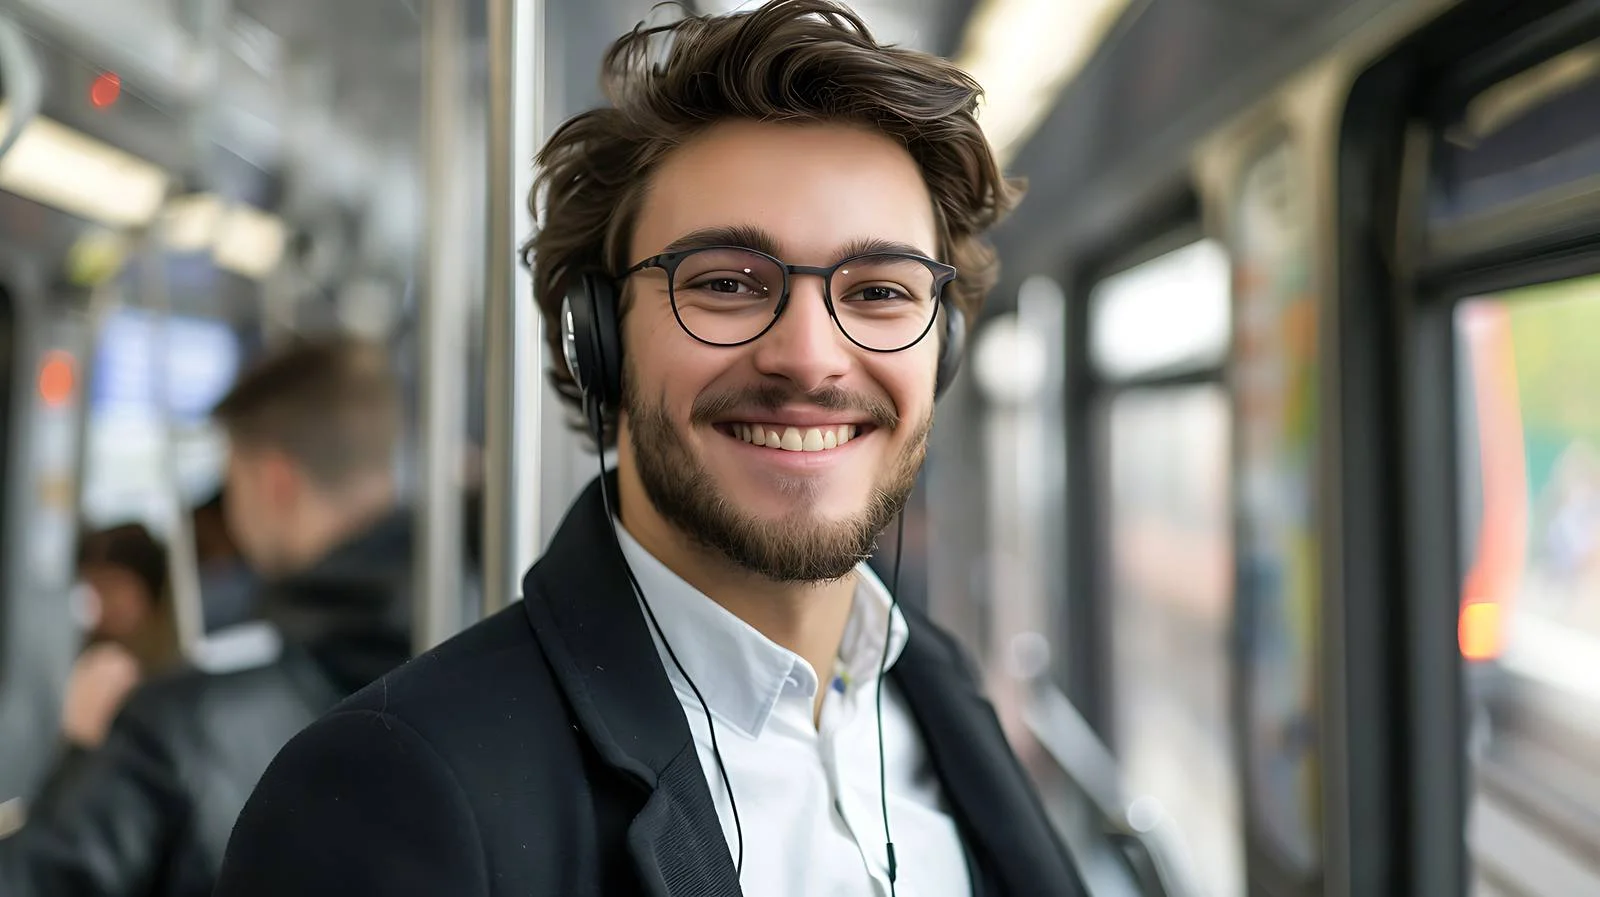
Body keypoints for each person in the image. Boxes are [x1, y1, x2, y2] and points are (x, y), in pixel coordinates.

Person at [217, 2, 1086, 895]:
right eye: (725, 284)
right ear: (597, 338)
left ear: (941, 349)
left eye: (878, 292)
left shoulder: (942, 703)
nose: (810, 356)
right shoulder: (389, 794)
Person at [0, 335, 416, 897]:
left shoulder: (181, 723)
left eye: (232, 481)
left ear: (275, 482)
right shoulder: (467, 652)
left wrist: (82, 750)